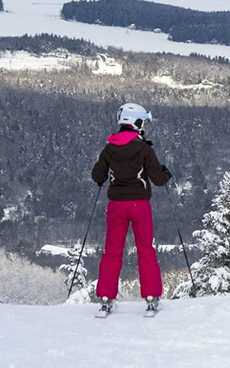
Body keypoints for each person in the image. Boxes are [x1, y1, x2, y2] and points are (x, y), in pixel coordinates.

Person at [91, 103, 171, 315]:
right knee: (146, 251)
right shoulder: (144, 149)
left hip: (116, 206)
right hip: (140, 206)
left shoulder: (109, 148)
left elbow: (97, 176)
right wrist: (166, 173)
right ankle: (151, 298)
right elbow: (158, 179)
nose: (144, 126)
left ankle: (106, 298)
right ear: (135, 122)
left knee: (112, 252)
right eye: (143, 122)